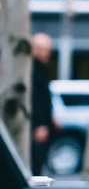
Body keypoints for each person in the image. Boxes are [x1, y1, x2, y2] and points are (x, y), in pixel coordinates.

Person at [30, 32, 54, 177]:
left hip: (41, 124)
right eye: (46, 50)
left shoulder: (41, 70)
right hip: (37, 127)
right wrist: (39, 124)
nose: (48, 54)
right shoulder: (33, 70)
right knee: (35, 162)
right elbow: (34, 99)